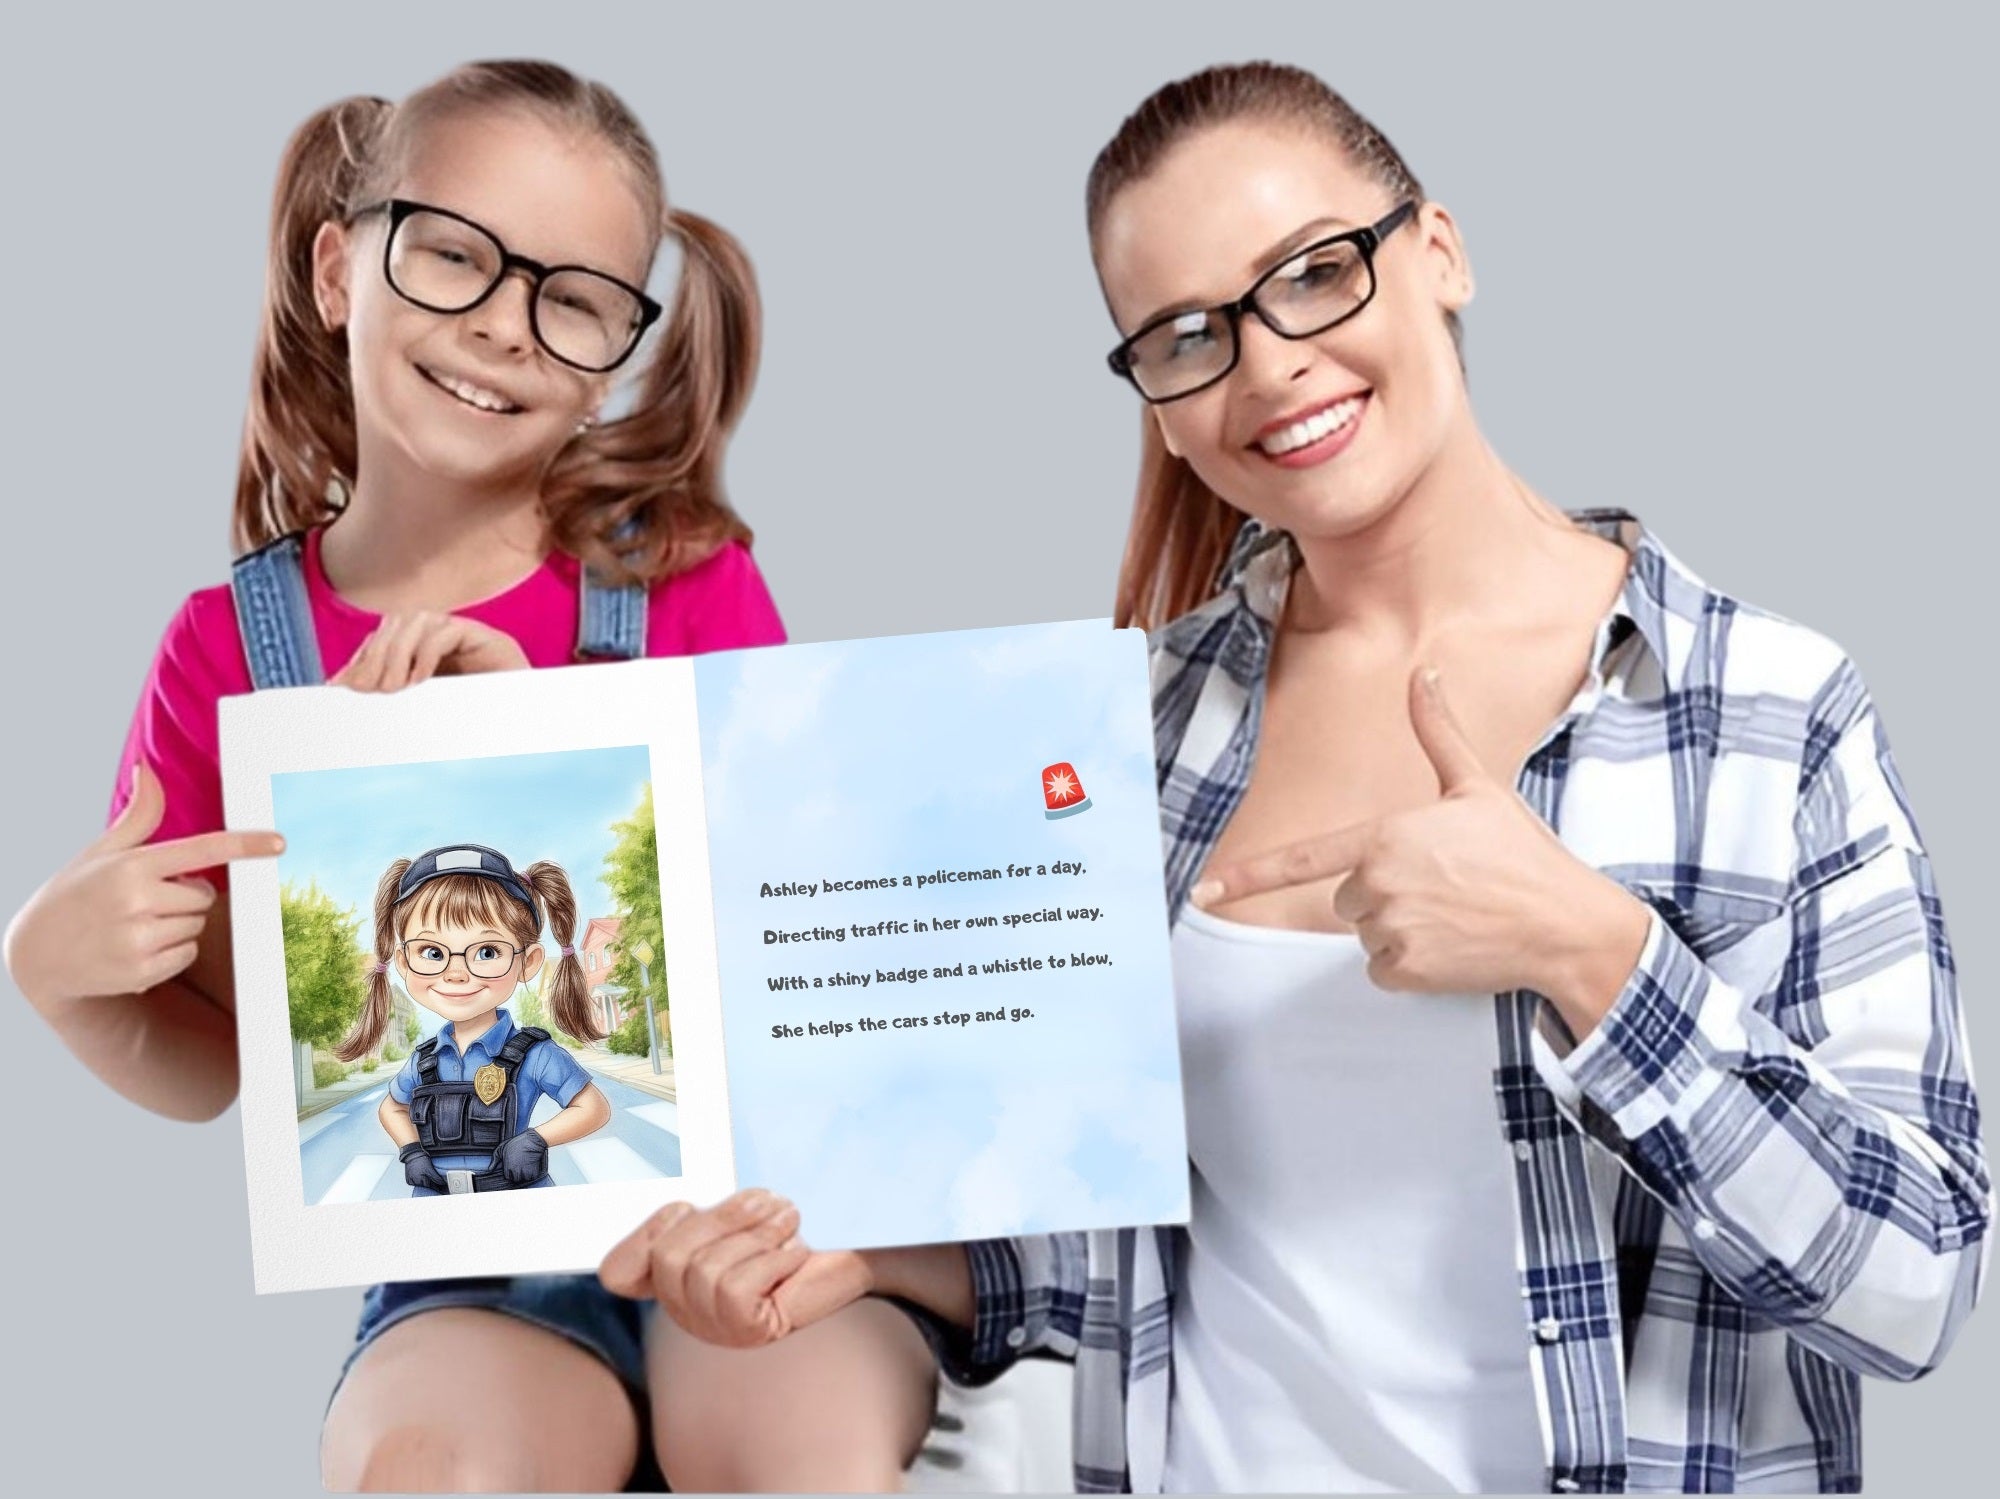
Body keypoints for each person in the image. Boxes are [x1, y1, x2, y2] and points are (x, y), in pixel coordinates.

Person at [601, 60, 1991, 1493]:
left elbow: (1916, 1281)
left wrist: (1592, 952)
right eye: (1186, 335)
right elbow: (1137, 1252)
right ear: (1157, 401)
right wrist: (870, 1252)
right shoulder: (1127, 729)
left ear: (1438, 252)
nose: (1267, 366)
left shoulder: (1763, 708)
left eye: (1315, 274)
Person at [3, 59, 934, 1494]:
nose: (503, 323)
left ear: (612, 352)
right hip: (469, 1270)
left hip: (750, 1217)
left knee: (803, 1457)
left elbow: (809, 950)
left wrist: (553, 744)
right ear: (338, 271)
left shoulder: (688, 586)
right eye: (452, 256)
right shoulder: (227, 651)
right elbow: (237, 1068)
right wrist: (69, 983)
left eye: (573, 298)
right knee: (428, 1467)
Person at [346, 843, 614, 1197]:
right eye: (432, 952)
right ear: (404, 962)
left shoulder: (535, 1054)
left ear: (528, 962)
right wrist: (411, 1149)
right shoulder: (424, 1060)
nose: (456, 973)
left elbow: (594, 1107)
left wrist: (537, 1139)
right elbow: (392, 1107)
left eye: (487, 952)